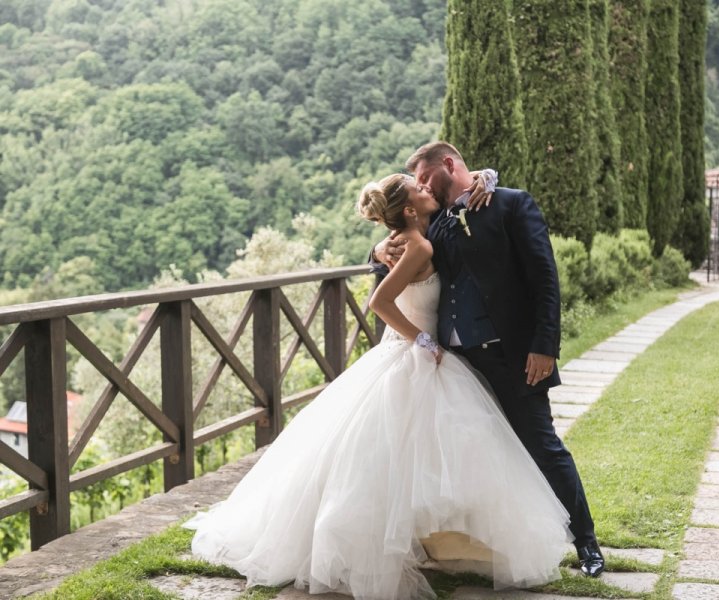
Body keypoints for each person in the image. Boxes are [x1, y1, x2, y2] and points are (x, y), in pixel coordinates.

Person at [185, 173, 573, 600]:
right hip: (412, 356)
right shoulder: (419, 244)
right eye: (420, 190)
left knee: (406, 459)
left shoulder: (422, 234)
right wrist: (423, 340)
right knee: (390, 459)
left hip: (426, 357)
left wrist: (486, 177)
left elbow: (459, 197)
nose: (429, 191)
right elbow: (379, 302)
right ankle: (377, 547)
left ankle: (426, 544)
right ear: (408, 210)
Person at [373, 141, 605, 577]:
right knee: (476, 458)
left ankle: (587, 543)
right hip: (457, 364)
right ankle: (474, 551)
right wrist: (377, 252)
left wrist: (545, 347)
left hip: (515, 356)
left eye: (424, 178)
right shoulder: (437, 221)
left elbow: (545, 279)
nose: (421, 187)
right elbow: (398, 260)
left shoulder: (512, 205)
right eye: (417, 184)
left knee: (543, 447)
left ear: (448, 164)